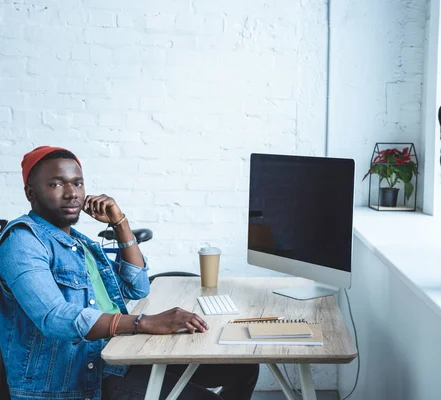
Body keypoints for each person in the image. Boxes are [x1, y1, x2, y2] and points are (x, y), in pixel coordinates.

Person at [0, 146, 259, 400]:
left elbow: (136, 287)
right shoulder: (22, 241)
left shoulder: (79, 243)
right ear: (30, 193)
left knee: (242, 368)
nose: (71, 194)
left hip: (120, 354)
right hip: (81, 378)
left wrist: (120, 222)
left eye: (77, 184)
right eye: (56, 184)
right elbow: (54, 317)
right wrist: (143, 322)